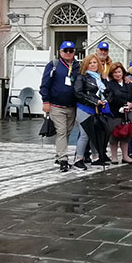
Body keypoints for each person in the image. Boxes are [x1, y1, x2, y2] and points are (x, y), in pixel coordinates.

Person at [40, 41, 80, 172]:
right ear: (60, 52)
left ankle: (59, 154)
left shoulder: (77, 66)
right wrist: (45, 101)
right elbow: (45, 84)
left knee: (67, 132)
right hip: (56, 105)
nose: (68, 53)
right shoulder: (54, 65)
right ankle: (63, 159)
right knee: (61, 131)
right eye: (65, 51)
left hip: (72, 105)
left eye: (71, 51)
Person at [73, 54, 108, 169]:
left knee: (95, 133)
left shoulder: (100, 78)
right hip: (84, 108)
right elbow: (78, 93)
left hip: (96, 109)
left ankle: (96, 157)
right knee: (85, 134)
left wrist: (106, 99)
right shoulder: (82, 77)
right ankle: (79, 159)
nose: (93, 65)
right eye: (90, 63)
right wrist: (94, 101)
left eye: (94, 62)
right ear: (85, 65)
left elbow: (107, 91)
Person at [104, 63, 132, 165]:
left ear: (123, 72)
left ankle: (125, 156)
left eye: (119, 72)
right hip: (115, 113)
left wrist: (131, 104)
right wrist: (122, 104)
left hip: (127, 114)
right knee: (114, 137)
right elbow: (111, 98)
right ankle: (114, 157)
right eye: (115, 72)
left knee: (125, 136)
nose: (117, 74)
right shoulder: (110, 84)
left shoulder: (129, 84)